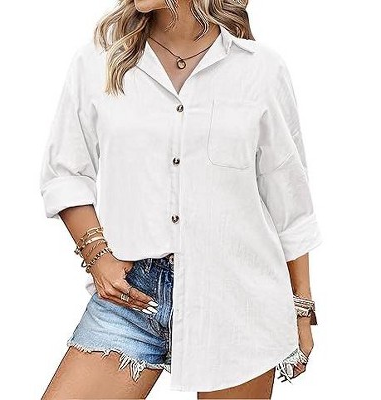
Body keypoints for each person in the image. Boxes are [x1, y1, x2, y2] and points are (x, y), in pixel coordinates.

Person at [39, 0, 322, 398]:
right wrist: (97, 255)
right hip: (132, 297)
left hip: (238, 299)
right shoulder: (100, 60)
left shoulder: (260, 69)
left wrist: (301, 307)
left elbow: (290, 203)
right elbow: (66, 172)